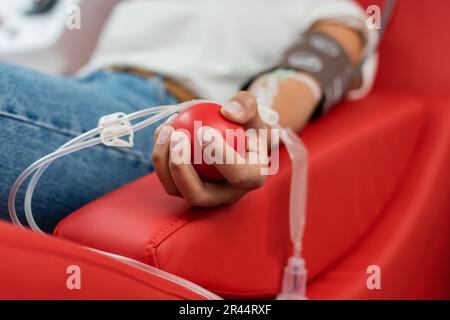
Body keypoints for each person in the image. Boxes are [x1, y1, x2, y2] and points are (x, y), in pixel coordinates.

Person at [0, 0, 378, 232]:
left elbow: (293, 85)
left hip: (159, 119)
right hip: (81, 91)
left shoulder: (332, 11)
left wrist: (248, 131)